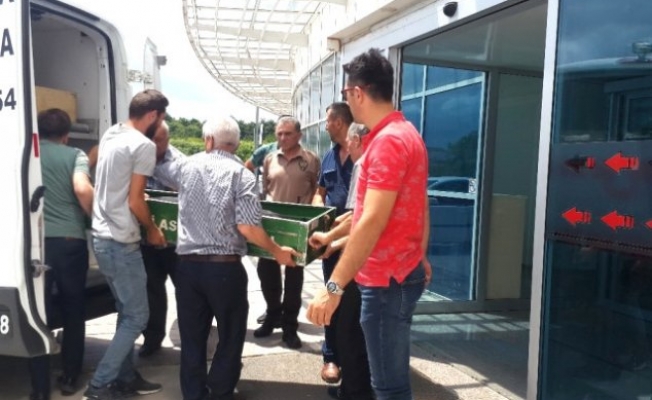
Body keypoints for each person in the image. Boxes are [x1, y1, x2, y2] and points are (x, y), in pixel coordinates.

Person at [306, 48, 432, 400]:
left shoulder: (387, 143)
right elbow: (417, 206)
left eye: (346, 93)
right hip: (399, 274)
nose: (347, 100)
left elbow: (372, 221)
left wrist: (333, 287)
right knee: (388, 382)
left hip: (385, 281)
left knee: (388, 388)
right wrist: (420, 254)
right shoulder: (406, 133)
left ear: (358, 93)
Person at [154, 116, 297, 400]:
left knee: (192, 338)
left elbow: (158, 166)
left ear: (208, 141)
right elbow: (248, 228)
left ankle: (194, 394)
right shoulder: (242, 175)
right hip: (225, 270)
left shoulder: (186, 167)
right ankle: (220, 390)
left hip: (188, 269)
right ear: (237, 145)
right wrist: (277, 251)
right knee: (231, 335)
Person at [84, 89, 168, 400]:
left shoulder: (112, 134)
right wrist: (152, 229)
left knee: (125, 311)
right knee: (137, 317)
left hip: (101, 238)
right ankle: (99, 386)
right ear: (152, 115)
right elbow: (135, 201)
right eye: (161, 118)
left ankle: (125, 376)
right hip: (122, 242)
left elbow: (94, 164)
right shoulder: (143, 145)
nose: (161, 124)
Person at [28, 109, 94, 400]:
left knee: (37, 313)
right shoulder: (75, 155)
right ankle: (69, 377)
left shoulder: (29, 155)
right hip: (69, 243)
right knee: (73, 310)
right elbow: (82, 188)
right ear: (66, 135)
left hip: (35, 244)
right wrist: (93, 216)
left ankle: (39, 388)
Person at [309, 123, 373, 400]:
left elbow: (365, 225)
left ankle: (356, 391)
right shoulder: (374, 164)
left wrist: (333, 287)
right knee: (358, 332)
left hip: (368, 267)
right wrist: (330, 238)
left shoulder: (366, 167)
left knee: (352, 331)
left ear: (356, 140)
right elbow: (358, 217)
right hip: (370, 265)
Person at [254, 116, 321, 350]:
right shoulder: (270, 159)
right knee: (267, 274)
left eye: (288, 133)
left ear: (299, 135)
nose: (283, 138)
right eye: (279, 133)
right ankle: (272, 315)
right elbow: (266, 190)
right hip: (272, 227)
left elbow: (317, 191)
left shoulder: (311, 160)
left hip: (296, 229)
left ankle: (290, 326)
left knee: (294, 280)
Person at [311, 102, 355, 384]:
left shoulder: (363, 155)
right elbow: (320, 192)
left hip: (357, 243)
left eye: (328, 121)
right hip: (331, 246)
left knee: (354, 302)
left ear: (338, 122)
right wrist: (318, 208)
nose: (325, 126)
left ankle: (354, 361)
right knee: (332, 296)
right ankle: (331, 358)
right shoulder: (328, 156)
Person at [138, 121, 184, 358]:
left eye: (160, 140)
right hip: (146, 242)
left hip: (176, 244)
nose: (156, 144)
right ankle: (152, 338)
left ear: (168, 139)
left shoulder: (180, 163)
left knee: (186, 292)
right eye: (152, 139)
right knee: (151, 292)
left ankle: (191, 339)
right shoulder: (136, 158)